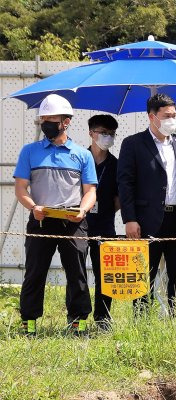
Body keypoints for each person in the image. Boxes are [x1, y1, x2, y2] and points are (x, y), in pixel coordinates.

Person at [13, 93, 97, 336]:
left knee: (78, 273)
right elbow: (20, 188)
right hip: (40, 220)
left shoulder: (82, 154)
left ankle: (78, 322)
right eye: (43, 120)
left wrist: (83, 210)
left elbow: (91, 191)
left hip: (73, 221)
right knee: (35, 272)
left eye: (52, 119)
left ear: (66, 122)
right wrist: (32, 207)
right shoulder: (30, 151)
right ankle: (28, 323)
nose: (47, 124)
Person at [117, 93, 176, 311]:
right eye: (166, 116)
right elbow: (125, 184)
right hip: (147, 220)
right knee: (145, 276)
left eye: (174, 115)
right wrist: (130, 218)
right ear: (152, 117)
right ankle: (142, 325)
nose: (171, 120)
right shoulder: (133, 144)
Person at [86, 114, 119, 329]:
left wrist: (106, 211)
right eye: (103, 133)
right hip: (77, 223)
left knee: (105, 273)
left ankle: (102, 318)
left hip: (105, 223)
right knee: (77, 272)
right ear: (91, 133)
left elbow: (119, 199)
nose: (107, 137)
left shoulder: (117, 164)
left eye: (111, 134)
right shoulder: (79, 157)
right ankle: (77, 316)